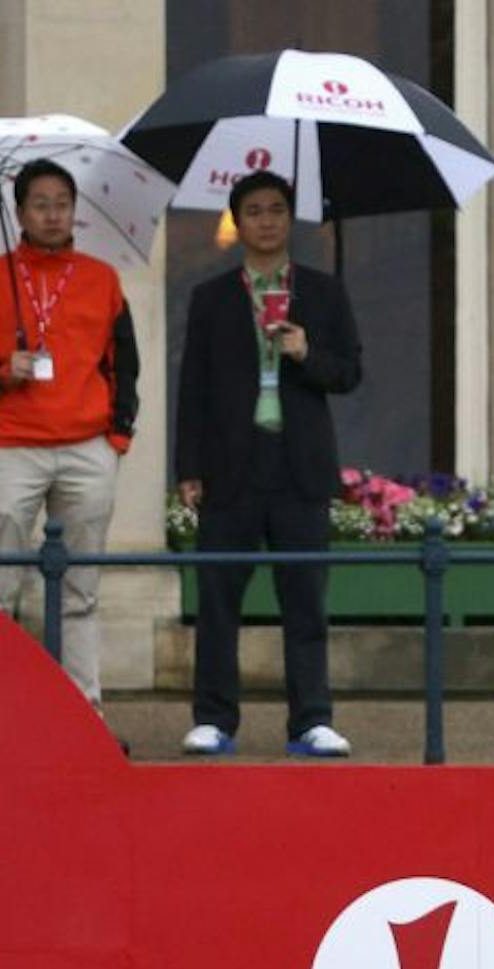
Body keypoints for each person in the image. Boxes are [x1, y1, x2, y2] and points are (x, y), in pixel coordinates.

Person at [175, 171, 361, 759]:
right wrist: (189, 467)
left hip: (298, 462)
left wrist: (307, 352)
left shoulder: (324, 293)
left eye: (277, 209)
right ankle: (213, 718)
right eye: (253, 210)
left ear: (289, 218)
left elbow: (349, 373)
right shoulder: (212, 296)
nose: (266, 220)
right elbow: (193, 388)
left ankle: (311, 719)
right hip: (232, 462)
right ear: (238, 220)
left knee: (304, 598)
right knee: (219, 600)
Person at [0, 159, 138, 717]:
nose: (53, 214)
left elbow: (125, 362)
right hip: (12, 446)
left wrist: (118, 437)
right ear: (19, 212)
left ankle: (83, 712)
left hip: (87, 447)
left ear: (75, 210)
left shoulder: (102, 278)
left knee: (81, 590)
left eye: (63, 203)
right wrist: (0, 371)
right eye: (40, 203)